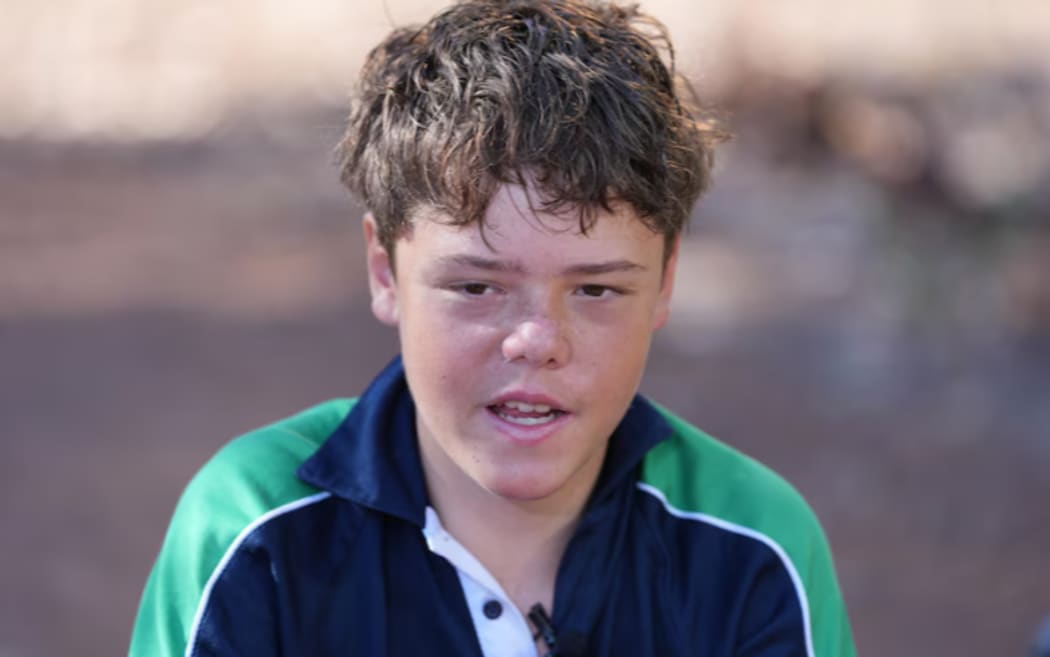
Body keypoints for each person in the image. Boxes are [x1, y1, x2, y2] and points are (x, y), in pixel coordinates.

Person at [129, 1, 856, 656]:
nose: (537, 339)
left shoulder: (753, 547)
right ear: (385, 270)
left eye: (596, 288)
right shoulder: (256, 528)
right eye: (477, 287)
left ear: (665, 281)